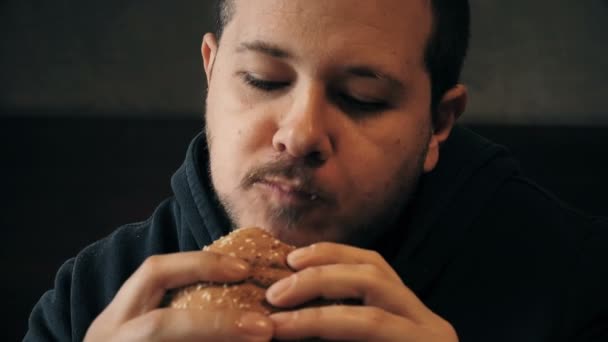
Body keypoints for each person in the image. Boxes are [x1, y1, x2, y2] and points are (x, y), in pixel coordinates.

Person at [25, 0, 608, 341]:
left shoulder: (578, 286)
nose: (300, 134)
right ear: (211, 71)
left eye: (361, 98)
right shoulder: (90, 300)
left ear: (437, 124)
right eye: (263, 80)